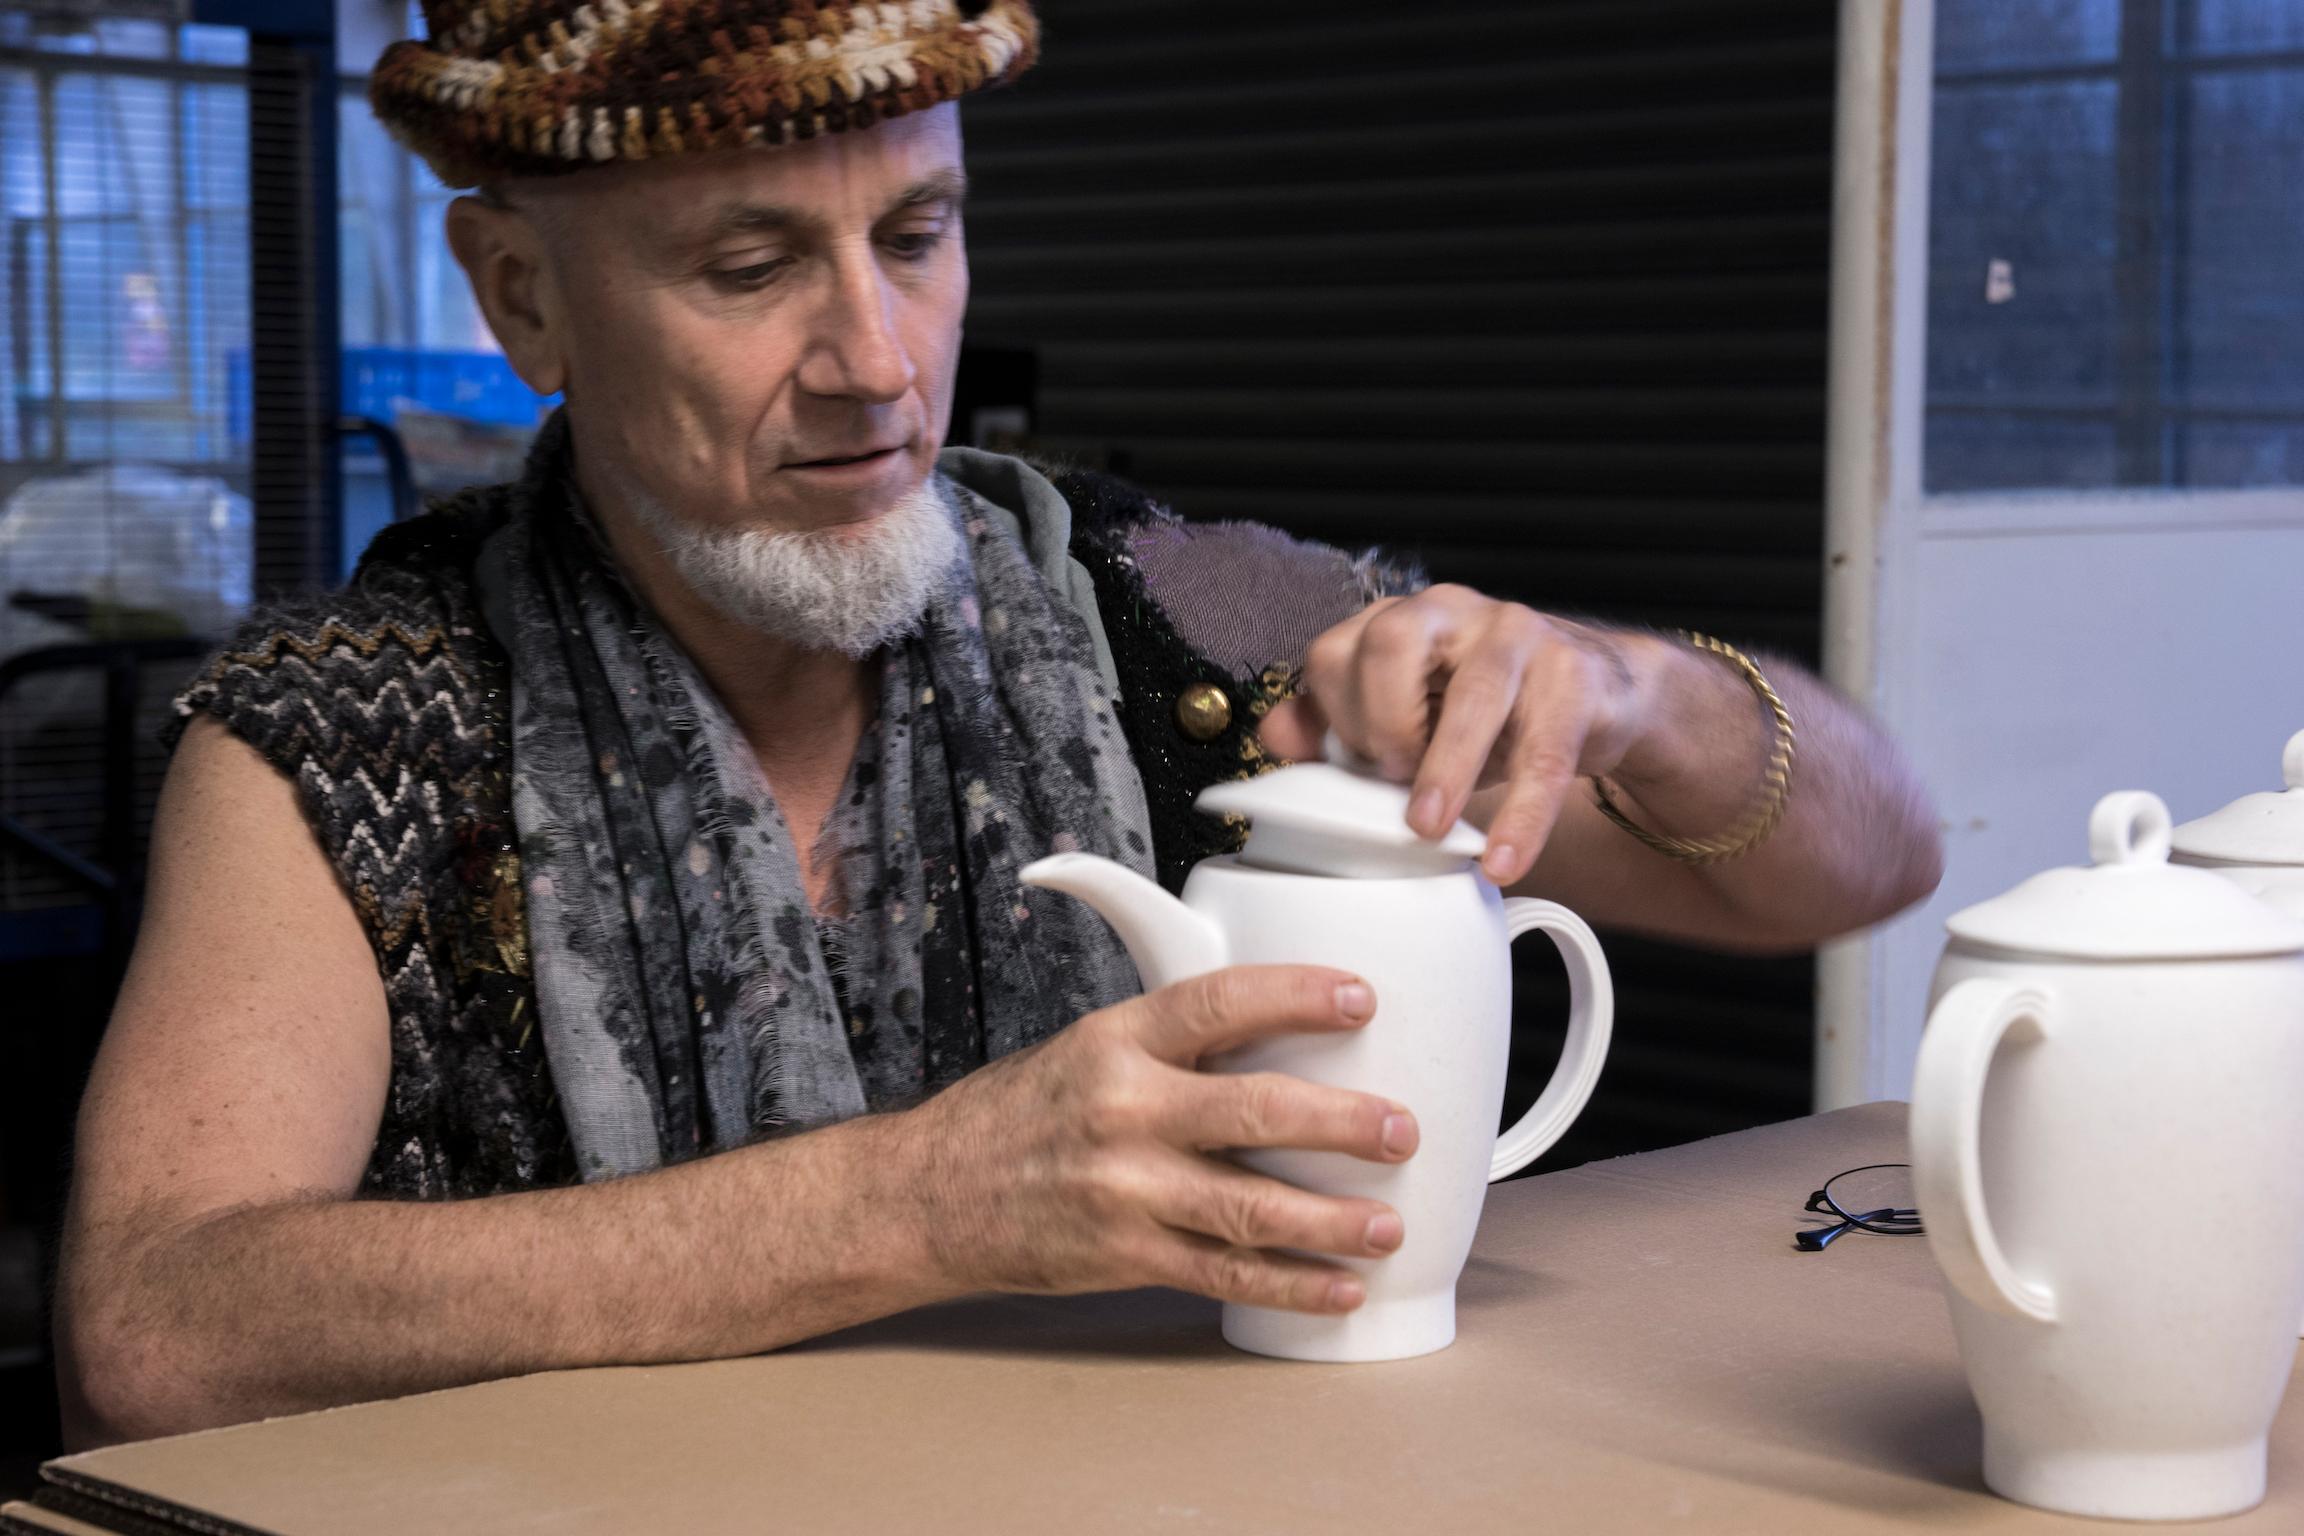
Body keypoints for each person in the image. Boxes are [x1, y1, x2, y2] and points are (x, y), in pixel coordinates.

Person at [53, 0, 1942, 1446]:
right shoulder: (342, 732)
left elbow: (1865, 861)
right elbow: (158, 1328)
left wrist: (1638, 689)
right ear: (522, 296)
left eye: (920, 234)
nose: (879, 365)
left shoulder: (1180, 601)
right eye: (752, 264)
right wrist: (928, 1199)